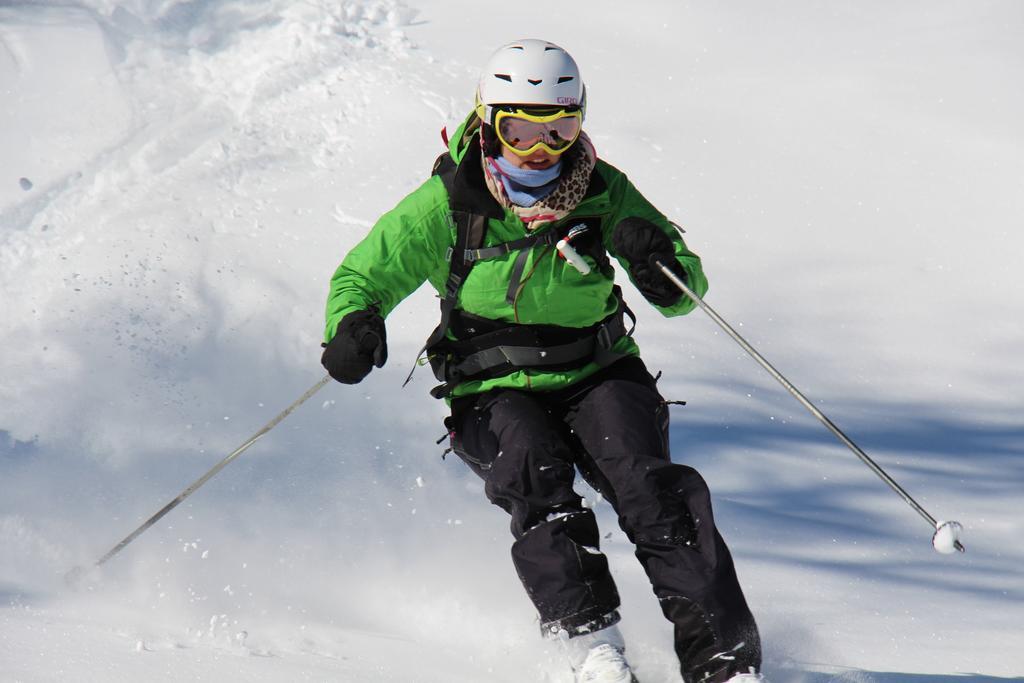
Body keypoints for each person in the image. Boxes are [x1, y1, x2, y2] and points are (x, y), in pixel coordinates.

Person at [321, 38, 762, 683]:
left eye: (560, 129)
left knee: (651, 490)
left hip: (599, 368)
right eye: (521, 128)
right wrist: (352, 327)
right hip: (492, 384)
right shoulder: (449, 204)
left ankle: (723, 658)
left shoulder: (603, 192)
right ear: (487, 122)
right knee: (533, 471)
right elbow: (362, 276)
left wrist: (658, 263)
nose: (541, 149)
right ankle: (592, 649)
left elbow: (683, 292)